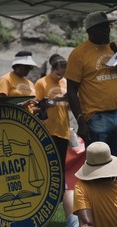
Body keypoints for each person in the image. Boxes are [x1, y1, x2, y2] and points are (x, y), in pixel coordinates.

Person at [65, 11, 117, 184]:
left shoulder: (116, 48)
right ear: (92, 30)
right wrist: (81, 121)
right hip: (95, 118)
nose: (108, 30)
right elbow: (71, 91)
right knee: (99, 169)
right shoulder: (79, 54)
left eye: (109, 26)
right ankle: (100, 205)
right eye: (104, 26)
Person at [35, 54, 70, 196]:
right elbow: (36, 106)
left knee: (61, 166)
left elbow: (69, 106)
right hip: (47, 130)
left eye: (62, 74)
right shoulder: (41, 83)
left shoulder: (66, 82)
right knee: (46, 165)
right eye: (58, 74)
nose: (60, 77)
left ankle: (60, 195)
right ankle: (45, 194)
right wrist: (51, 102)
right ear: (52, 69)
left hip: (63, 130)